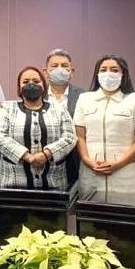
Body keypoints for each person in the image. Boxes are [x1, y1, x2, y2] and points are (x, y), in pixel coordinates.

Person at [74, 55, 135, 205]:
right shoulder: (84, 99)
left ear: (123, 74)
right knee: (91, 217)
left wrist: (118, 163)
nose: (108, 73)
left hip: (127, 174)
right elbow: (79, 136)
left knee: (126, 217)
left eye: (114, 70)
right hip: (92, 171)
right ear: (97, 74)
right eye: (103, 70)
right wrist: (88, 160)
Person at [0, 67, 77, 190]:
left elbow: (70, 137)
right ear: (19, 87)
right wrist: (27, 156)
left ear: (44, 85)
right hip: (13, 185)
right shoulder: (7, 108)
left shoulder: (59, 109)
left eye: (36, 81)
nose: (31, 84)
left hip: (53, 183)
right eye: (25, 82)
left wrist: (46, 154)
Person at [45, 48, 85, 186]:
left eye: (64, 66)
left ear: (71, 71)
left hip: (75, 160)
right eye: (55, 66)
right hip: (45, 159)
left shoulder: (84, 96)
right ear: (45, 72)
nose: (60, 69)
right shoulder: (37, 95)